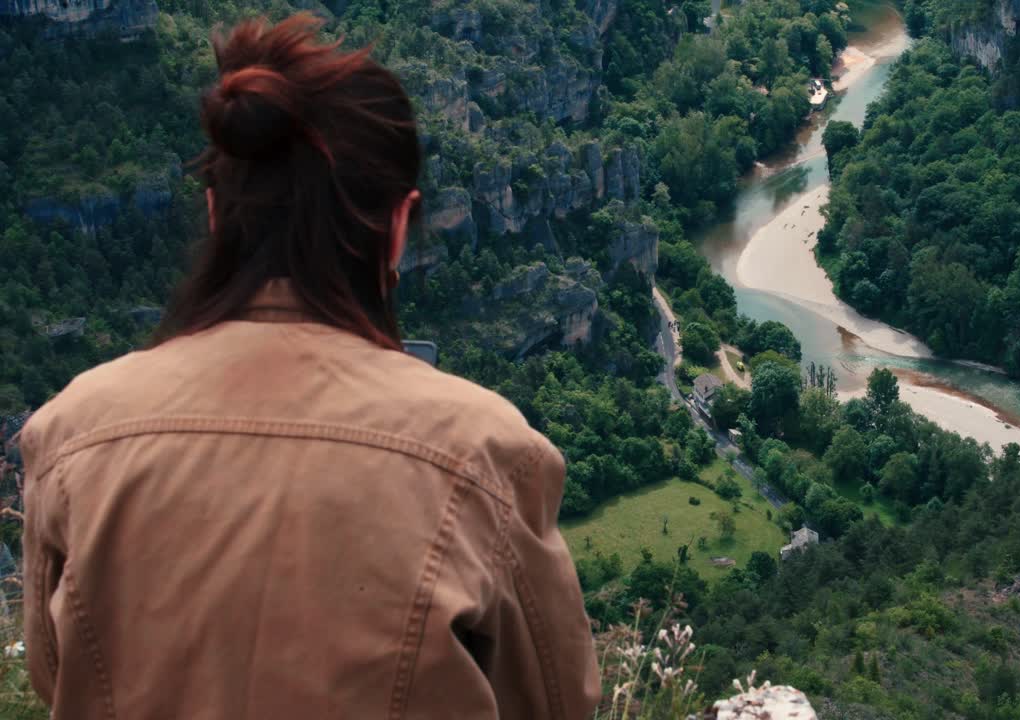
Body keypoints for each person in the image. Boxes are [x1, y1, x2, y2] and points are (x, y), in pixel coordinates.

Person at [18, 14, 599, 719]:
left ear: (213, 213)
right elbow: (556, 702)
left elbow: (56, 679)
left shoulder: (67, 438)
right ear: (397, 228)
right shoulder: (484, 453)